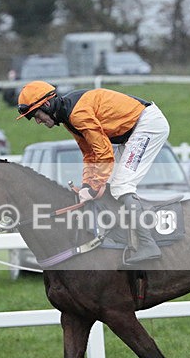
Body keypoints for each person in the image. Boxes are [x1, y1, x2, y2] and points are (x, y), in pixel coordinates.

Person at [16, 80, 170, 264]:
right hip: (134, 131)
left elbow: (104, 152)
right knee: (110, 185)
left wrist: (93, 187)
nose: (38, 121)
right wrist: (88, 185)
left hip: (148, 125)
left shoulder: (77, 114)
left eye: (36, 115)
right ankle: (123, 237)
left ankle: (148, 244)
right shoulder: (68, 117)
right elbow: (89, 153)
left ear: (47, 104)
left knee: (121, 185)